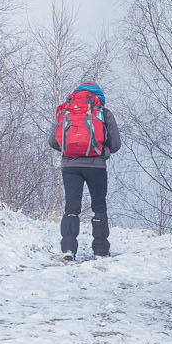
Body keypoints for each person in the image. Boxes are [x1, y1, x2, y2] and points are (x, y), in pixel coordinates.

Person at [49, 82, 122, 260]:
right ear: (98, 95)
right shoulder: (104, 113)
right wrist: (101, 151)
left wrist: (70, 151)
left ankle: (68, 249)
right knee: (99, 206)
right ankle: (100, 250)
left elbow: (53, 141)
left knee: (71, 208)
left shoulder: (66, 110)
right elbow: (116, 144)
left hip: (70, 166)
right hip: (96, 166)